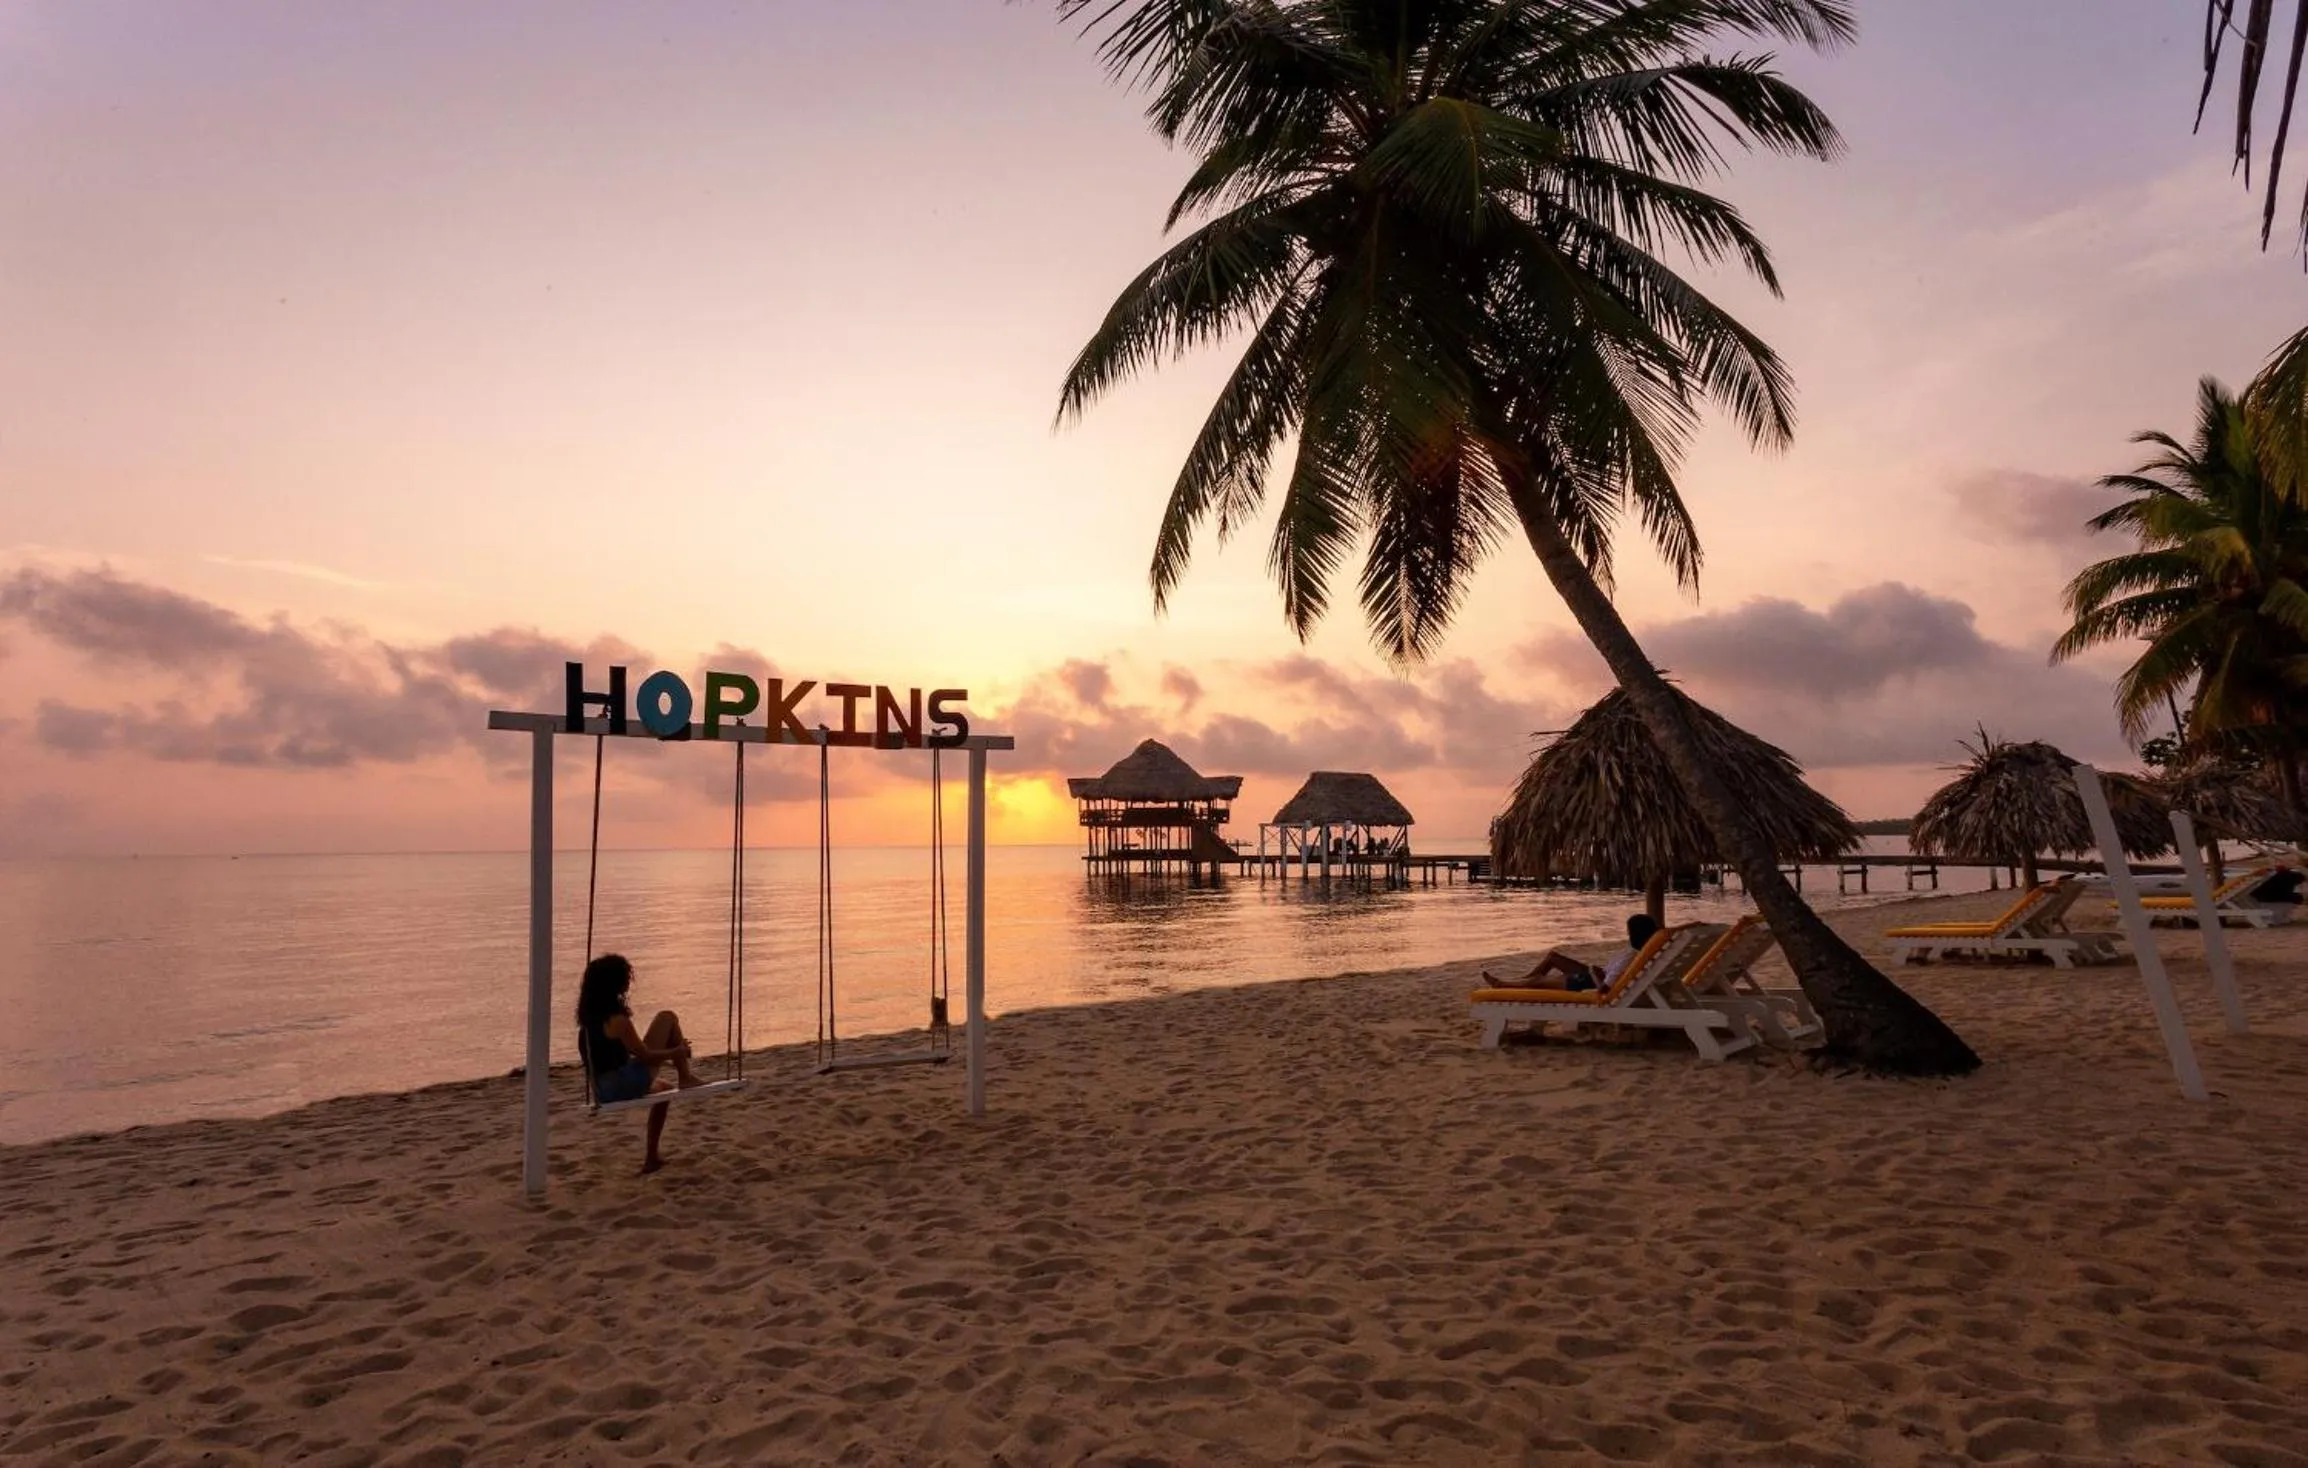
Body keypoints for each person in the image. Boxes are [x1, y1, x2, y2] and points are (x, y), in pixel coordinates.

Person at [574, 953, 705, 1174]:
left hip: (601, 1090)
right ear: (615, 983)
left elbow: (616, 1057)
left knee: (665, 1091)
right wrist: (677, 1051)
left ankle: (651, 1159)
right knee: (667, 1017)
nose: (628, 982)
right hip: (621, 1085)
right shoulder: (618, 1021)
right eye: (625, 977)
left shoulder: (589, 1020)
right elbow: (646, 1057)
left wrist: (669, 1055)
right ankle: (686, 1076)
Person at [1490, 914, 1662, 993]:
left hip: (1589, 983)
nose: (1627, 934)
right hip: (1595, 975)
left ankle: (1503, 985)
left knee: (1539, 981)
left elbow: (1604, 989)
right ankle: (1522, 981)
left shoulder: (1631, 956)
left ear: (1635, 934)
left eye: (1629, 931)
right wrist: (1598, 972)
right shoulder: (1641, 952)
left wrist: (1596, 975)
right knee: (1553, 957)